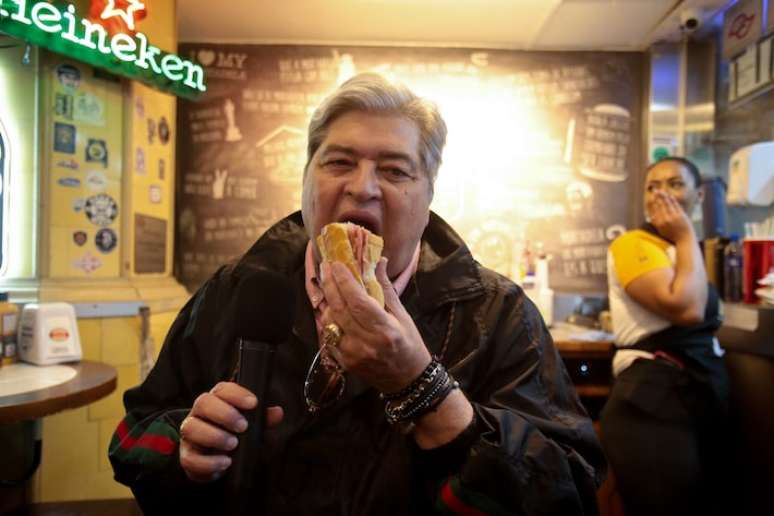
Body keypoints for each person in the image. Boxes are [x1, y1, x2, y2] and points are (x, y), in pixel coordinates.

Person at [109, 73, 605, 515]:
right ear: (306, 180)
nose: (362, 188)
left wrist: (423, 388)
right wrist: (186, 447)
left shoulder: (498, 313)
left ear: (429, 195)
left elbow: (569, 489)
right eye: (339, 162)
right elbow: (136, 433)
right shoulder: (235, 290)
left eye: (394, 170)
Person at [601, 157, 730, 516]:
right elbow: (686, 308)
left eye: (675, 184)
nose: (662, 194)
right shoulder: (632, 244)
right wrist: (687, 233)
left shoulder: (686, 252)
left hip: (693, 398)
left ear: (699, 194)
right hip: (649, 405)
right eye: (652, 187)